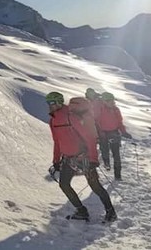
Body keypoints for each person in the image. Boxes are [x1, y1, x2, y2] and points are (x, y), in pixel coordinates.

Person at [46, 92, 116, 222]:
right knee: (64, 185)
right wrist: (56, 160)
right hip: (68, 159)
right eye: (48, 103)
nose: (49, 106)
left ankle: (111, 212)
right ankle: (81, 211)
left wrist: (93, 159)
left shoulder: (71, 117)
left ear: (59, 102)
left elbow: (89, 138)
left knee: (95, 186)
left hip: (84, 158)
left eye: (52, 103)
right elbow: (57, 142)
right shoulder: (53, 120)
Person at [95, 92, 132, 180]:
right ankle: (106, 163)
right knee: (104, 150)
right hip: (103, 133)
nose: (111, 102)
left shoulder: (116, 110)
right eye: (108, 100)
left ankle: (118, 175)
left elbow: (119, 123)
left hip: (114, 133)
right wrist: (99, 132)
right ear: (104, 101)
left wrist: (124, 132)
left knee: (116, 154)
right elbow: (96, 122)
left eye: (112, 100)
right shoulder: (99, 109)